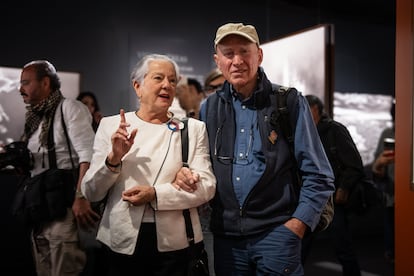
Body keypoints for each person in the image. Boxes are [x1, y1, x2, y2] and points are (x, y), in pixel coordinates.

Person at [176, 22, 335, 275]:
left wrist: (297, 224)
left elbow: (319, 174)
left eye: (244, 51)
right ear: (218, 60)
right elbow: (201, 166)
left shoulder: (288, 102)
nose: (237, 60)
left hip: (277, 234)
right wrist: (185, 173)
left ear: (259, 55)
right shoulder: (209, 108)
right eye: (228, 53)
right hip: (226, 240)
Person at [81, 53, 216, 275]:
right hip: (121, 241)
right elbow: (92, 192)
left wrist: (155, 194)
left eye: (172, 80)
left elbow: (207, 186)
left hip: (176, 245)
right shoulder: (111, 126)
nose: (167, 85)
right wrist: (113, 159)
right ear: (138, 86)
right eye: (158, 78)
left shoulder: (192, 129)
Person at [18, 60, 97, 275]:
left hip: (62, 206)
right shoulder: (35, 118)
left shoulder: (69, 108)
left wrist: (81, 196)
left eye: (26, 82)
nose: (20, 89)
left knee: (65, 267)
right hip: (39, 207)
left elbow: (88, 154)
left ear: (45, 83)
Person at [304, 94, 363, 276]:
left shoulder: (335, 130)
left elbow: (354, 164)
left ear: (320, 112)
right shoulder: (300, 133)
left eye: (310, 113)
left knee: (342, 245)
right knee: (298, 247)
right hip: (308, 197)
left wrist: (343, 188)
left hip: (332, 199)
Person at [372, 98, 395, 264]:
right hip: (391, 191)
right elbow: (377, 165)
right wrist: (379, 165)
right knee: (391, 225)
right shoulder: (387, 133)